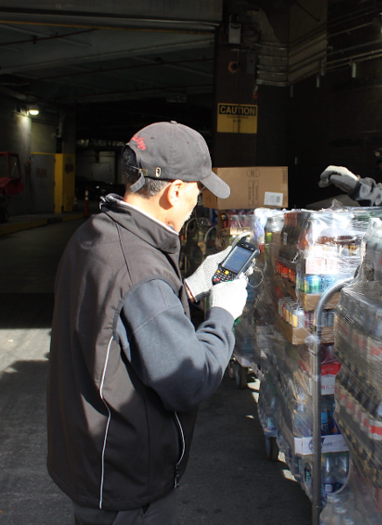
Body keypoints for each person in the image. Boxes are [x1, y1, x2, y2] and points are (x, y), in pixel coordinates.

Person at [47, 121, 249, 524]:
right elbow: (190, 379)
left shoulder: (97, 233)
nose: (197, 200)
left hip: (91, 459)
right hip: (126, 483)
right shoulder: (141, 269)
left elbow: (116, 320)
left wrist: (190, 287)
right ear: (175, 191)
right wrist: (223, 312)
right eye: (198, 189)